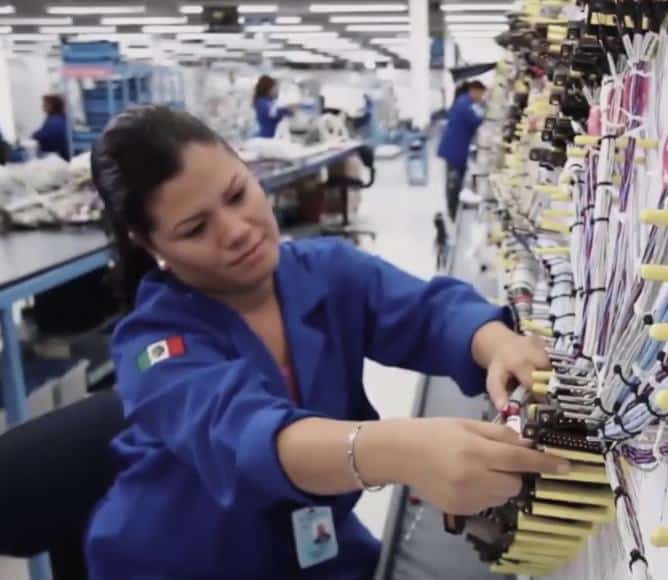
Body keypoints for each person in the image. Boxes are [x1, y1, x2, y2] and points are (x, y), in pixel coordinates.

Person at [85, 106, 566, 580]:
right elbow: (247, 440)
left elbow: (427, 313)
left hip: (313, 546)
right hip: (188, 561)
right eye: (194, 229)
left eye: (236, 194)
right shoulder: (155, 345)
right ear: (150, 246)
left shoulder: (325, 272)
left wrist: (496, 341)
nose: (235, 231)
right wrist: (402, 452)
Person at [437, 80, 486, 221]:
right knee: (453, 182)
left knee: (454, 180)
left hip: (455, 148)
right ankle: (452, 213)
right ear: (474, 90)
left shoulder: (464, 102)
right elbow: (476, 120)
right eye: (481, 94)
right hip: (454, 149)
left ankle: (453, 209)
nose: (481, 97)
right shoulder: (465, 104)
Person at [253, 75, 294, 139]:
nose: (276, 91)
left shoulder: (271, 102)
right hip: (265, 138)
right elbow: (273, 113)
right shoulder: (262, 102)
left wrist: (289, 111)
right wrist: (286, 110)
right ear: (267, 89)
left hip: (271, 137)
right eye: (274, 88)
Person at [33, 94, 70, 161]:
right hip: (57, 154)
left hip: (55, 155)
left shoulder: (55, 121)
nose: (43, 106)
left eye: (45, 104)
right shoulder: (59, 117)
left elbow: (43, 135)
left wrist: (34, 135)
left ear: (52, 106)